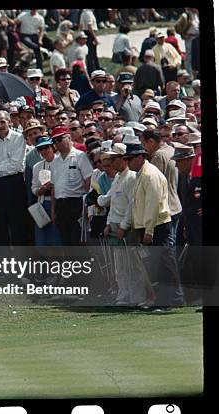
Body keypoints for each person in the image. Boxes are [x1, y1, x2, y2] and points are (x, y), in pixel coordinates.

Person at [124, 139, 182, 311]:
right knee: (157, 265)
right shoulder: (142, 174)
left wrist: (148, 231)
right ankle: (164, 300)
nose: (127, 162)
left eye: (129, 159)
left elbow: (153, 205)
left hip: (156, 225)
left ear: (140, 157)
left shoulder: (150, 175)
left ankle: (167, 301)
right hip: (149, 225)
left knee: (163, 265)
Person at [97, 142, 147, 306]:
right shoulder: (118, 177)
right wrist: (109, 223)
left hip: (128, 227)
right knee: (120, 266)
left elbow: (131, 206)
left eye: (114, 159)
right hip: (115, 226)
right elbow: (113, 202)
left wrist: (124, 226)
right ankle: (123, 295)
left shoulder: (132, 177)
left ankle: (137, 297)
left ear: (122, 159)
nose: (110, 163)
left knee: (133, 265)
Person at [0, 110, 27, 245]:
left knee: (18, 222)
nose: (0, 125)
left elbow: (17, 166)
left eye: (2, 122)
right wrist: (4, 168)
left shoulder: (19, 138)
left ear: (9, 121)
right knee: (1, 223)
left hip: (16, 184)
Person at [51, 127, 93, 245]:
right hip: (61, 204)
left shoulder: (80, 156)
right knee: (65, 239)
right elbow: (54, 187)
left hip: (76, 203)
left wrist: (86, 206)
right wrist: (53, 210)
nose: (57, 143)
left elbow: (88, 180)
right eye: (55, 141)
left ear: (69, 138)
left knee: (77, 238)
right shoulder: (55, 161)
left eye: (60, 139)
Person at [30, 136, 61, 246]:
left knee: (57, 238)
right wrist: (40, 190)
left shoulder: (61, 162)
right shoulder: (37, 167)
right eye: (40, 149)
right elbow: (33, 187)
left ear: (52, 147)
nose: (43, 151)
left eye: (46, 147)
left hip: (58, 204)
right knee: (42, 240)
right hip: (42, 204)